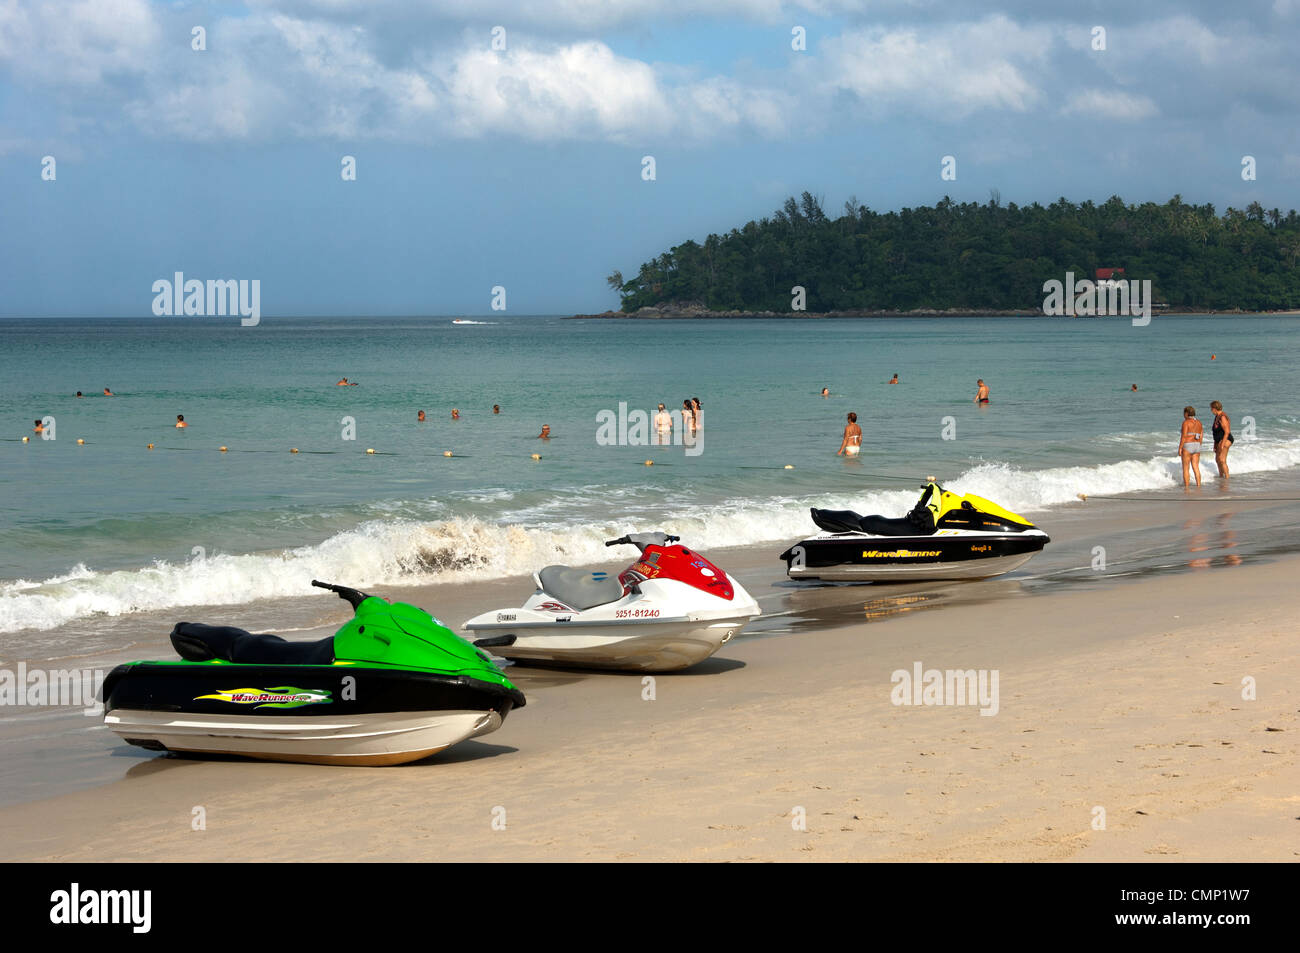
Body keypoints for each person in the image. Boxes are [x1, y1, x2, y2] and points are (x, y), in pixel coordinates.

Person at [1178, 405, 1203, 488]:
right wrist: (1199, 444)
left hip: (1188, 445)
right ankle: (1199, 485)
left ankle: (1187, 487)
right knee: (1196, 467)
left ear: (1186, 413)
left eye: (1184, 413)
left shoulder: (1186, 422)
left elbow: (1184, 436)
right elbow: (1201, 436)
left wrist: (1180, 448)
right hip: (1197, 445)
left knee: (1186, 468)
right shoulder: (1199, 422)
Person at [1210, 400, 1233, 479]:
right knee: (1217, 459)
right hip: (1219, 440)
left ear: (1214, 408)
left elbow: (1227, 432)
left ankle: (1227, 478)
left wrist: (1222, 444)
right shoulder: (1217, 417)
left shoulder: (1222, 417)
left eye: (1211, 408)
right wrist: (1215, 445)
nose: (1211, 410)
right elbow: (1215, 433)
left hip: (1225, 439)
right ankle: (1221, 476)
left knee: (1222, 460)